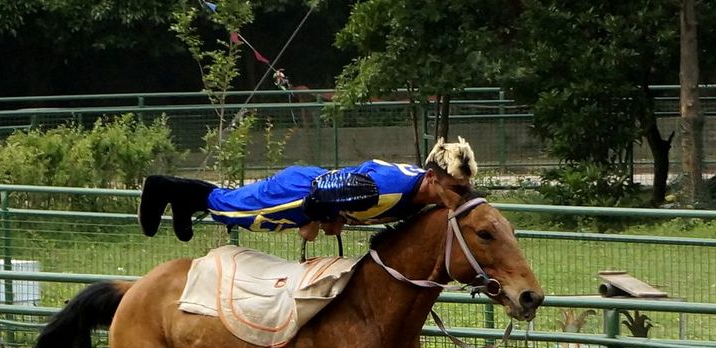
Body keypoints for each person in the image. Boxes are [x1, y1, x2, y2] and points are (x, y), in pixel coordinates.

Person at [138, 137, 478, 242]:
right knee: (235, 210)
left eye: (463, 189)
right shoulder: (386, 189)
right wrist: (320, 223)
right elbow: (321, 196)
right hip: (300, 191)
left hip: (318, 187)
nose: (459, 195)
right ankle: (163, 187)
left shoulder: (422, 195)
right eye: (455, 188)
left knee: (230, 207)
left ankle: (184, 205)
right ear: (433, 178)